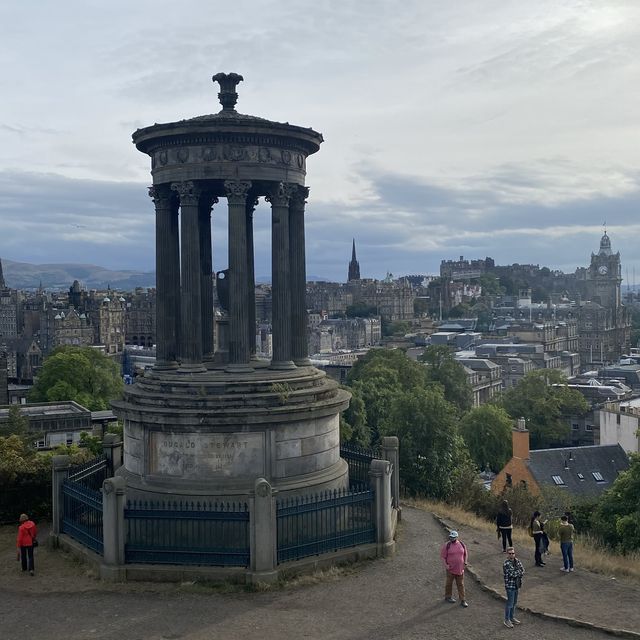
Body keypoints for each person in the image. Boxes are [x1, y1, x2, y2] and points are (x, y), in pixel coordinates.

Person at [440, 530, 469, 607]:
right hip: (450, 569)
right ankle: (448, 597)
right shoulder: (447, 545)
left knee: (461, 584)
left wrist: (465, 562)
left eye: (453, 537)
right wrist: (446, 565)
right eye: (450, 537)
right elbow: (443, 557)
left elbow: (465, 554)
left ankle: (463, 600)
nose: (451, 539)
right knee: (449, 584)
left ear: (457, 537)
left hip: (460, 569)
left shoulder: (462, 544)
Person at [503, 546, 525, 628]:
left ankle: (512, 618)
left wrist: (518, 572)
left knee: (514, 603)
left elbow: (523, 570)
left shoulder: (517, 561)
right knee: (510, 603)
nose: (512, 555)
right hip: (510, 586)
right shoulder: (506, 563)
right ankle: (506, 620)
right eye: (510, 553)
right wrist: (518, 572)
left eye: (513, 553)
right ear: (507, 554)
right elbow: (513, 574)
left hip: (516, 585)